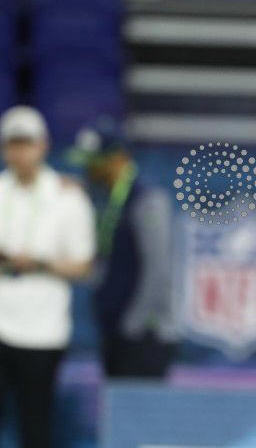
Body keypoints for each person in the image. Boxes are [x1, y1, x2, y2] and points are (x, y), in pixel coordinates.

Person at [0, 106, 95, 448]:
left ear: (43, 145)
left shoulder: (66, 196)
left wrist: (38, 264)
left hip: (43, 329)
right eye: (13, 144)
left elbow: (84, 265)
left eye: (26, 143)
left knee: (36, 424)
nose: (20, 152)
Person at [69, 118, 177, 378]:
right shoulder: (107, 196)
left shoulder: (147, 200)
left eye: (95, 162)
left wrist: (133, 324)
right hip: (115, 329)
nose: (88, 169)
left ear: (118, 159)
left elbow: (158, 269)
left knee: (140, 403)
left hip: (144, 335)